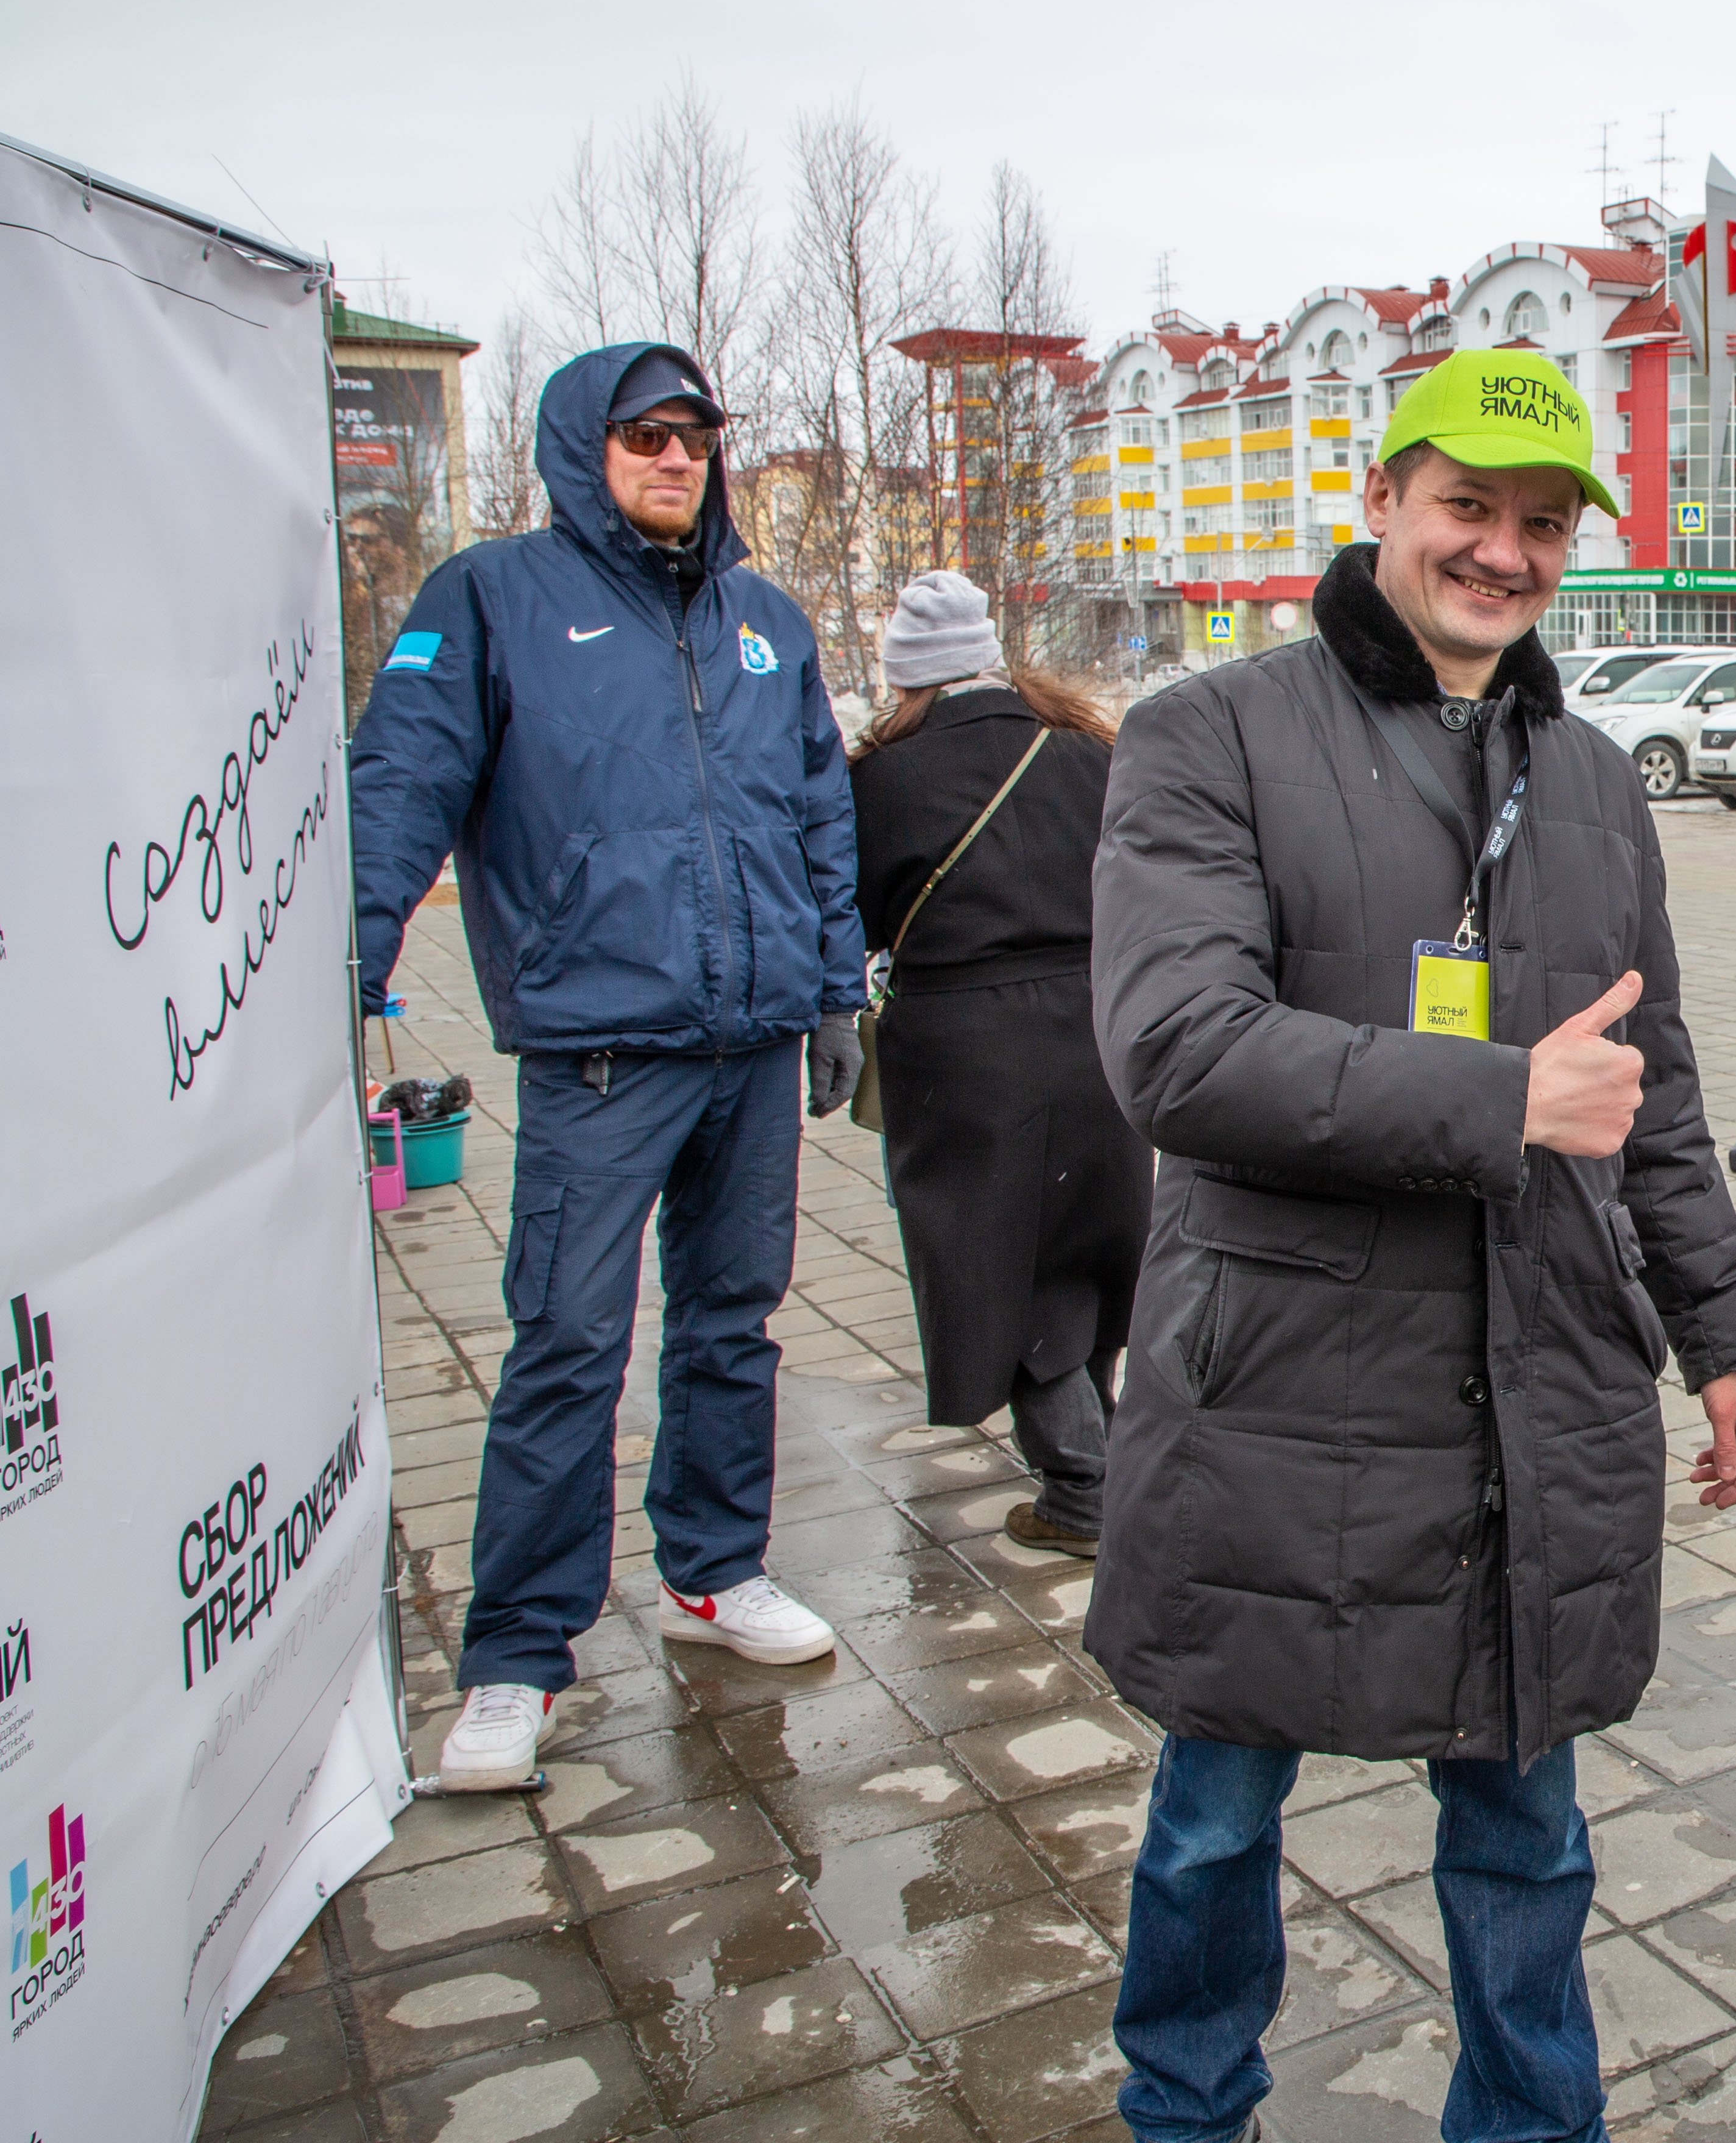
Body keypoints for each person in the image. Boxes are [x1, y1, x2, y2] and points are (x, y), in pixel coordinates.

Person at [1086, 347, 1736, 2143]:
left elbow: (1657, 1083)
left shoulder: (1602, 781)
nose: (1503, 552)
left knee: (1526, 1830)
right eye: (1468, 507)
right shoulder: (1211, 730)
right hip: (1277, 1386)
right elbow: (1175, 1049)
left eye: (1543, 522)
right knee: (1220, 1814)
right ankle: (1183, 2107)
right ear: (1383, 497)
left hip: (1530, 1380)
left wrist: (1723, 1329)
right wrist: (1493, 1105)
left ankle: (1535, 2123)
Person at [350, 344, 865, 1791]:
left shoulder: (766, 620)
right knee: (570, 1343)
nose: (672, 458)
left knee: (731, 1321)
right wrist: (351, 954)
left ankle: (711, 1573)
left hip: (752, 1045)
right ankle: (518, 1652)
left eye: (695, 436)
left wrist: (838, 993)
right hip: (599, 1049)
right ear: (585, 446)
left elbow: (816, 815)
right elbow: (399, 786)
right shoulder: (494, 600)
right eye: (644, 435)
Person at [846, 575, 1147, 1557]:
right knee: (1091, 1247)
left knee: (1002, 1271)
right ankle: (1099, 1459)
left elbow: (850, 912)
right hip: (1096, 1029)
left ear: (909, 677)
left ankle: (1082, 1491)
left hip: (963, 1052)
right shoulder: (1087, 752)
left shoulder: (879, 776)